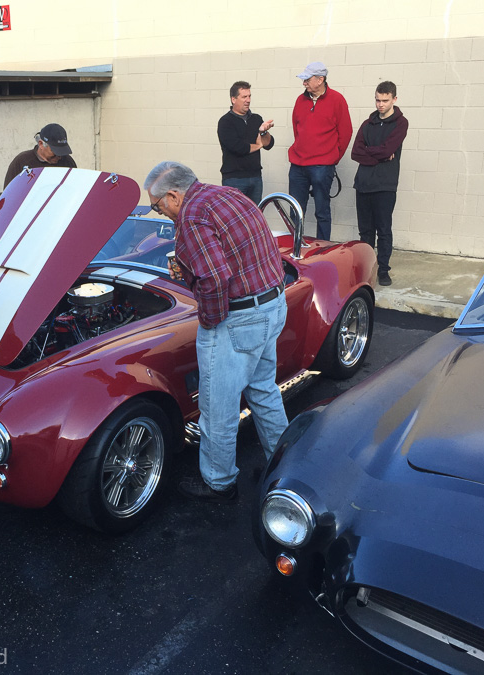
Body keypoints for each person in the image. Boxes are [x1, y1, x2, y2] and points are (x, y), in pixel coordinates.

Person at [143, 161, 289, 503]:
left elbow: (214, 278)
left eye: (157, 205)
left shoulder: (191, 218)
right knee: (264, 390)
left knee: (217, 408)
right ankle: (284, 468)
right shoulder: (228, 195)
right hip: (272, 305)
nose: (160, 212)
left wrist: (210, 323)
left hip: (238, 320)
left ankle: (219, 483)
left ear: (174, 196)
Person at [351, 81, 408, 287]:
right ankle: (368, 269)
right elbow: (355, 152)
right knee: (365, 231)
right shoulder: (368, 124)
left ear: (394, 99)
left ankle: (383, 270)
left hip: (385, 185)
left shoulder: (401, 123)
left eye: (385, 100)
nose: (380, 104)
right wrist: (382, 155)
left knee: (384, 229)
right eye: (377, 100)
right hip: (363, 183)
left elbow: (387, 149)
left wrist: (374, 151)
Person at [288, 62, 352, 241]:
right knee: (295, 211)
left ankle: (323, 248)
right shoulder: (300, 101)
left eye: (307, 79)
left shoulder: (337, 100)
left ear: (320, 79)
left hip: (322, 166)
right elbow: (297, 127)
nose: (304, 83)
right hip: (298, 165)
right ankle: (295, 249)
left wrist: (332, 158)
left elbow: (345, 132)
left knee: (322, 211)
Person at [217, 80, 275, 204]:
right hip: (234, 179)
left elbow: (269, 144)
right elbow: (238, 147)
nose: (248, 100)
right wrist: (259, 144)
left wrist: (264, 132)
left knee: (254, 217)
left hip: (255, 177)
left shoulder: (256, 119)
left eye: (249, 96)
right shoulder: (225, 122)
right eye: (244, 97)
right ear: (233, 99)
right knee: (234, 217)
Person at [4, 123, 77, 188]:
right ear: (41, 144)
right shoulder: (22, 162)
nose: (59, 156)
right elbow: (8, 194)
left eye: (62, 151)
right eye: (54, 151)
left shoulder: (68, 162)